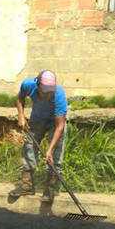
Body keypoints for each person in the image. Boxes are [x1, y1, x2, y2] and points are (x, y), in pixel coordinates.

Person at [8, 70, 68, 203]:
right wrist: (21, 116)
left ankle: (49, 190)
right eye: (45, 92)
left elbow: (60, 126)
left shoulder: (59, 95)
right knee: (29, 148)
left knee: (56, 155)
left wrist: (50, 149)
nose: (48, 95)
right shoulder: (28, 85)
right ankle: (27, 186)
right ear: (38, 86)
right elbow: (20, 98)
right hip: (37, 119)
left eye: (50, 92)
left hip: (55, 122)